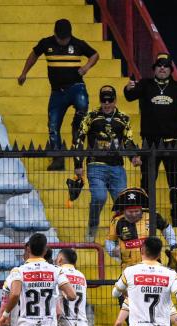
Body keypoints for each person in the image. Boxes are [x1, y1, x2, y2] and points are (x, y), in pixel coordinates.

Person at [123, 52, 177, 226]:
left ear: (171, 70)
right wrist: (128, 88)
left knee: (176, 180)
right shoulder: (146, 84)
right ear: (154, 68)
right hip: (150, 144)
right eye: (159, 65)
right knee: (147, 180)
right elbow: (130, 96)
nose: (162, 68)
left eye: (166, 66)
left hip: (172, 143)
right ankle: (147, 213)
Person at [18, 19, 99, 171]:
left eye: (66, 38)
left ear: (70, 35)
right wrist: (24, 73)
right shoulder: (46, 43)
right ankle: (58, 157)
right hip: (57, 92)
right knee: (53, 126)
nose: (63, 41)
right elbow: (33, 55)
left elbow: (95, 55)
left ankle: (77, 126)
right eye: (60, 38)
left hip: (76, 87)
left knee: (83, 105)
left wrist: (86, 67)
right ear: (55, 34)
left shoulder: (78, 43)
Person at [74, 85, 138, 241]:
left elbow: (128, 140)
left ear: (115, 100)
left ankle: (122, 233)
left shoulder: (124, 118)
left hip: (117, 166)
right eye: (104, 100)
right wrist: (78, 164)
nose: (107, 104)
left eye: (110, 100)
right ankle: (92, 226)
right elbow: (79, 139)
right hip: (96, 165)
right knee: (100, 197)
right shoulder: (91, 116)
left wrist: (133, 157)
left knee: (123, 202)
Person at [105, 187, 177, 271]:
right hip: (129, 267)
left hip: (153, 265)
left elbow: (166, 228)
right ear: (124, 210)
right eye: (130, 212)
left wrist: (173, 243)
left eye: (136, 211)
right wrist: (112, 251)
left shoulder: (152, 216)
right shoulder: (117, 221)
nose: (133, 214)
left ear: (141, 209)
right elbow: (109, 241)